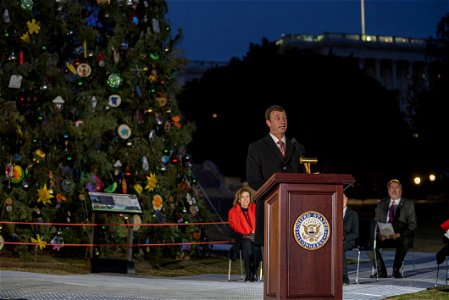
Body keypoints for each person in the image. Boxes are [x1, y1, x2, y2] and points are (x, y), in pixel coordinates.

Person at [246, 105, 305, 246]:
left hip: (294, 208)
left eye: (284, 118)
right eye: (277, 118)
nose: (282, 121)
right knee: (271, 250)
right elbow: (253, 179)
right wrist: (275, 192)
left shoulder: (297, 146)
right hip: (269, 205)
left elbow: (304, 176)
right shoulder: (256, 147)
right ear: (268, 123)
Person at [369, 179, 417, 278]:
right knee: (369, 242)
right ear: (388, 191)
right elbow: (376, 221)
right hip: (384, 234)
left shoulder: (408, 203)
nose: (394, 190)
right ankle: (380, 270)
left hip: (400, 235)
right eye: (392, 188)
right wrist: (379, 234)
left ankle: (396, 268)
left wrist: (398, 234)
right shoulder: (382, 203)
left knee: (405, 241)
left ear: (401, 190)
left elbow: (412, 225)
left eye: (397, 188)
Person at [228, 187, 260, 282]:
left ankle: (253, 272)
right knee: (247, 244)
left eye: (247, 197)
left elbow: (261, 223)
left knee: (256, 247)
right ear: (238, 199)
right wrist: (246, 233)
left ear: (250, 198)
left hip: (256, 236)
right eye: (243, 197)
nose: (245, 199)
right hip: (242, 237)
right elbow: (233, 228)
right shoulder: (233, 211)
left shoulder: (256, 208)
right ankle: (248, 274)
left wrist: (255, 231)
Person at [342, 193, 359, 285]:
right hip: (335, 241)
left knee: (339, 248)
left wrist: (344, 237)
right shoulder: (332, 212)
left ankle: (344, 278)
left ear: (347, 200)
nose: (341, 200)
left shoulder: (353, 214)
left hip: (349, 241)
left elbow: (356, 234)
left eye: (343, 198)